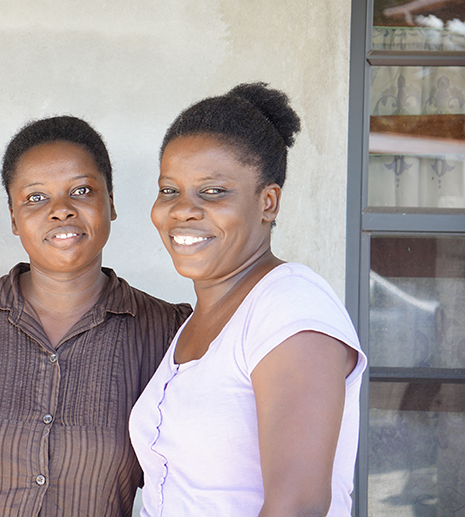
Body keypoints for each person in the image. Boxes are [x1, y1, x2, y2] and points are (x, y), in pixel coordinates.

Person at [0, 116, 191, 517]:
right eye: (36, 198)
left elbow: (184, 488)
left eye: (81, 190)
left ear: (110, 203)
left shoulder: (166, 332)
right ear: (13, 217)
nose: (61, 211)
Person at [128, 83, 367, 517]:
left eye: (213, 191)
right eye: (169, 190)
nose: (183, 210)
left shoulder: (289, 306)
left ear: (267, 202)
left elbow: (297, 506)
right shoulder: (195, 323)